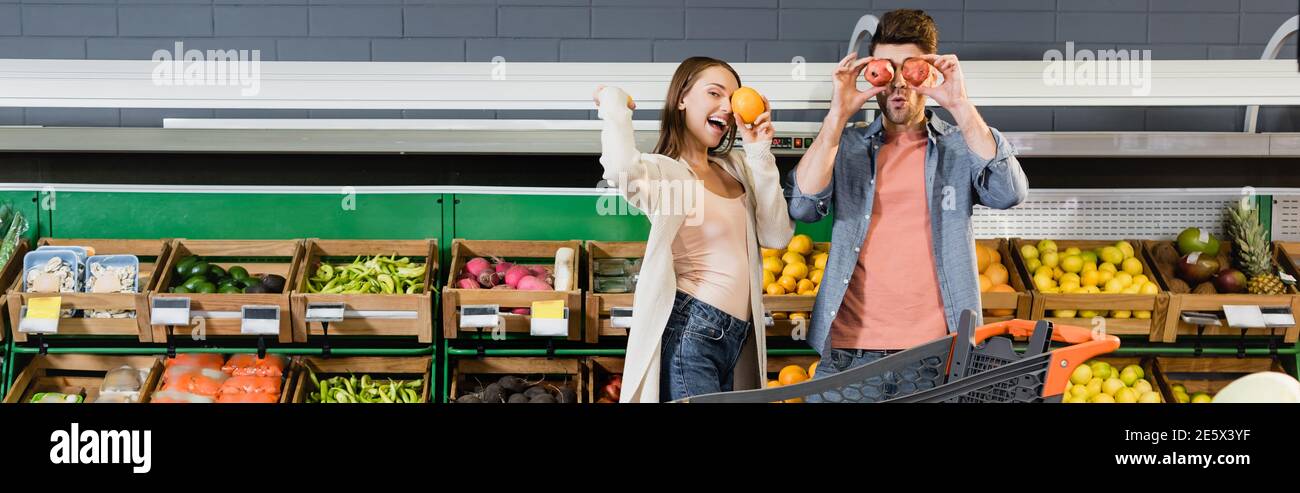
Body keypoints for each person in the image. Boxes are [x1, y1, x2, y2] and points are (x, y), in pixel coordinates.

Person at [787, 9, 1029, 381]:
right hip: (850, 354)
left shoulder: (958, 146)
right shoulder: (847, 147)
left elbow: (1009, 192)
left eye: (910, 68)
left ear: (929, 71)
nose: (898, 82)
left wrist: (960, 103)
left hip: (938, 353)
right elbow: (803, 206)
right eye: (887, 69)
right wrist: (836, 116)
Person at [594, 57, 793, 402]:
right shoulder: (666, 172)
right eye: (714, 93)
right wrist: (613, 101)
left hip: (738, 336)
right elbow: (619, 167)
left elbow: (776, 235)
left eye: (731, 100)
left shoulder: (736, 168)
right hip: (692, 332)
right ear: (682, 98)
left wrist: (759, 148)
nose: (726, 108)